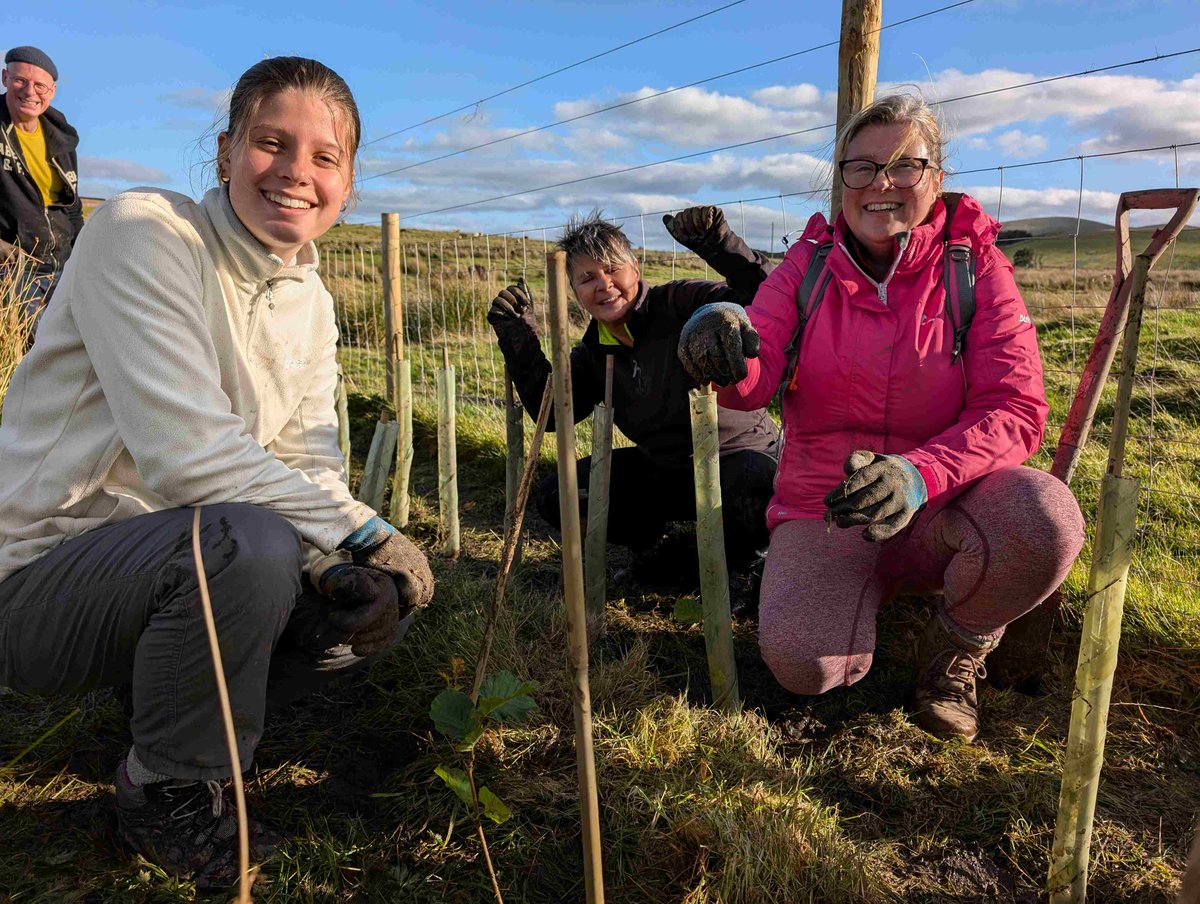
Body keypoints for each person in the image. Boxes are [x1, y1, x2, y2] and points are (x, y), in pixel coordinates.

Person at [0, 57, 434, 888]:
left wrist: (345, 562)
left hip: (160, 566)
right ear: (228, 147)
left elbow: (307, 459)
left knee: (365, 598)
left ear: (348, 180)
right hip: (40, 580)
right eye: (273, 143)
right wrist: (364, 532)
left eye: (324, 157)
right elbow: (186, 452)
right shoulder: (145, 233)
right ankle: (162, 787)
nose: (296, 173)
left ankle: (171, 711)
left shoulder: (308, 297)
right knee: (251, 542)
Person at [677, 94, 1085, 742]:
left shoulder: (976, 270)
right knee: (802, 665)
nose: (881, 184)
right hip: (829, 506)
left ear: (937, 178)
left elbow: (1015, 407)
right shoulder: (805, 268)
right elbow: (755, 375)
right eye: (861, 168)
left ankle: (957, 648)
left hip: (950, 503)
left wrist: (919, 474)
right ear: (841, 179)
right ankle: (862, 600)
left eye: (904, 165)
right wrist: (723, 348)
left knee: (1045, 520)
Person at [487, 208, 779, 594]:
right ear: (575, 292)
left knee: (754, 486)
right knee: (561, 494)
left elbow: (766, 297)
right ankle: (658, 551)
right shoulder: (596, 350)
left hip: (738, 457)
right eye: (587, 278)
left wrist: (718, 246)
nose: (604, 284)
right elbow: (554, 413)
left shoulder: (681, 301)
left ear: (636, 269)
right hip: (668, 472)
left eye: (612, 269)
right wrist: (517, 335)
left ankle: (743, 568)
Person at [0, 45, 83, 324]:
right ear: (4, 78)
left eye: (39, 85)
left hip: (62, 269)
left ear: (53, 90)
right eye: (20, 80)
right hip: (14, 270)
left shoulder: (62, 138)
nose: (30, 92)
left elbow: (72, 207)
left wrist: (81, 255)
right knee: (30, 354)